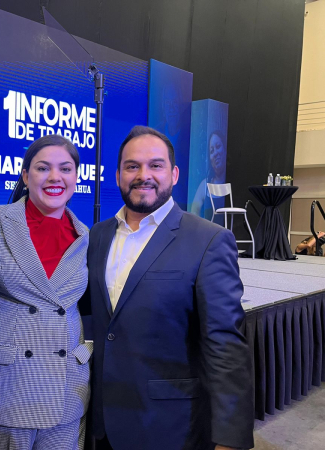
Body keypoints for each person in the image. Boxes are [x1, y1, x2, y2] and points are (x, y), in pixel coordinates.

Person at [84, 126, 254, 450]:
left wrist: (230, 439)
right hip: (105, 425)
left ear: (174, 174)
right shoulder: (97, 236)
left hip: (172, 428)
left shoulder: (208, 240)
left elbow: (226, 346)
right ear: (117, 175)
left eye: (155, 165)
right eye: (132, 166)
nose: (143, 175)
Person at [0, 135, 92, 450]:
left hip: (68, 391)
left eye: (65, 169)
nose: (55, 177)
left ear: (76, 177)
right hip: (12, 389)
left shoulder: (85, 235)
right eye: (43, 168)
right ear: (26, 176)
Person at [191, 131, 227, 218]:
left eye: (218, 146)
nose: (215, 153)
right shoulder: (205, 185)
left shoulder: (235, 182)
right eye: (211, 151)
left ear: (225, 149)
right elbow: (194, 212)